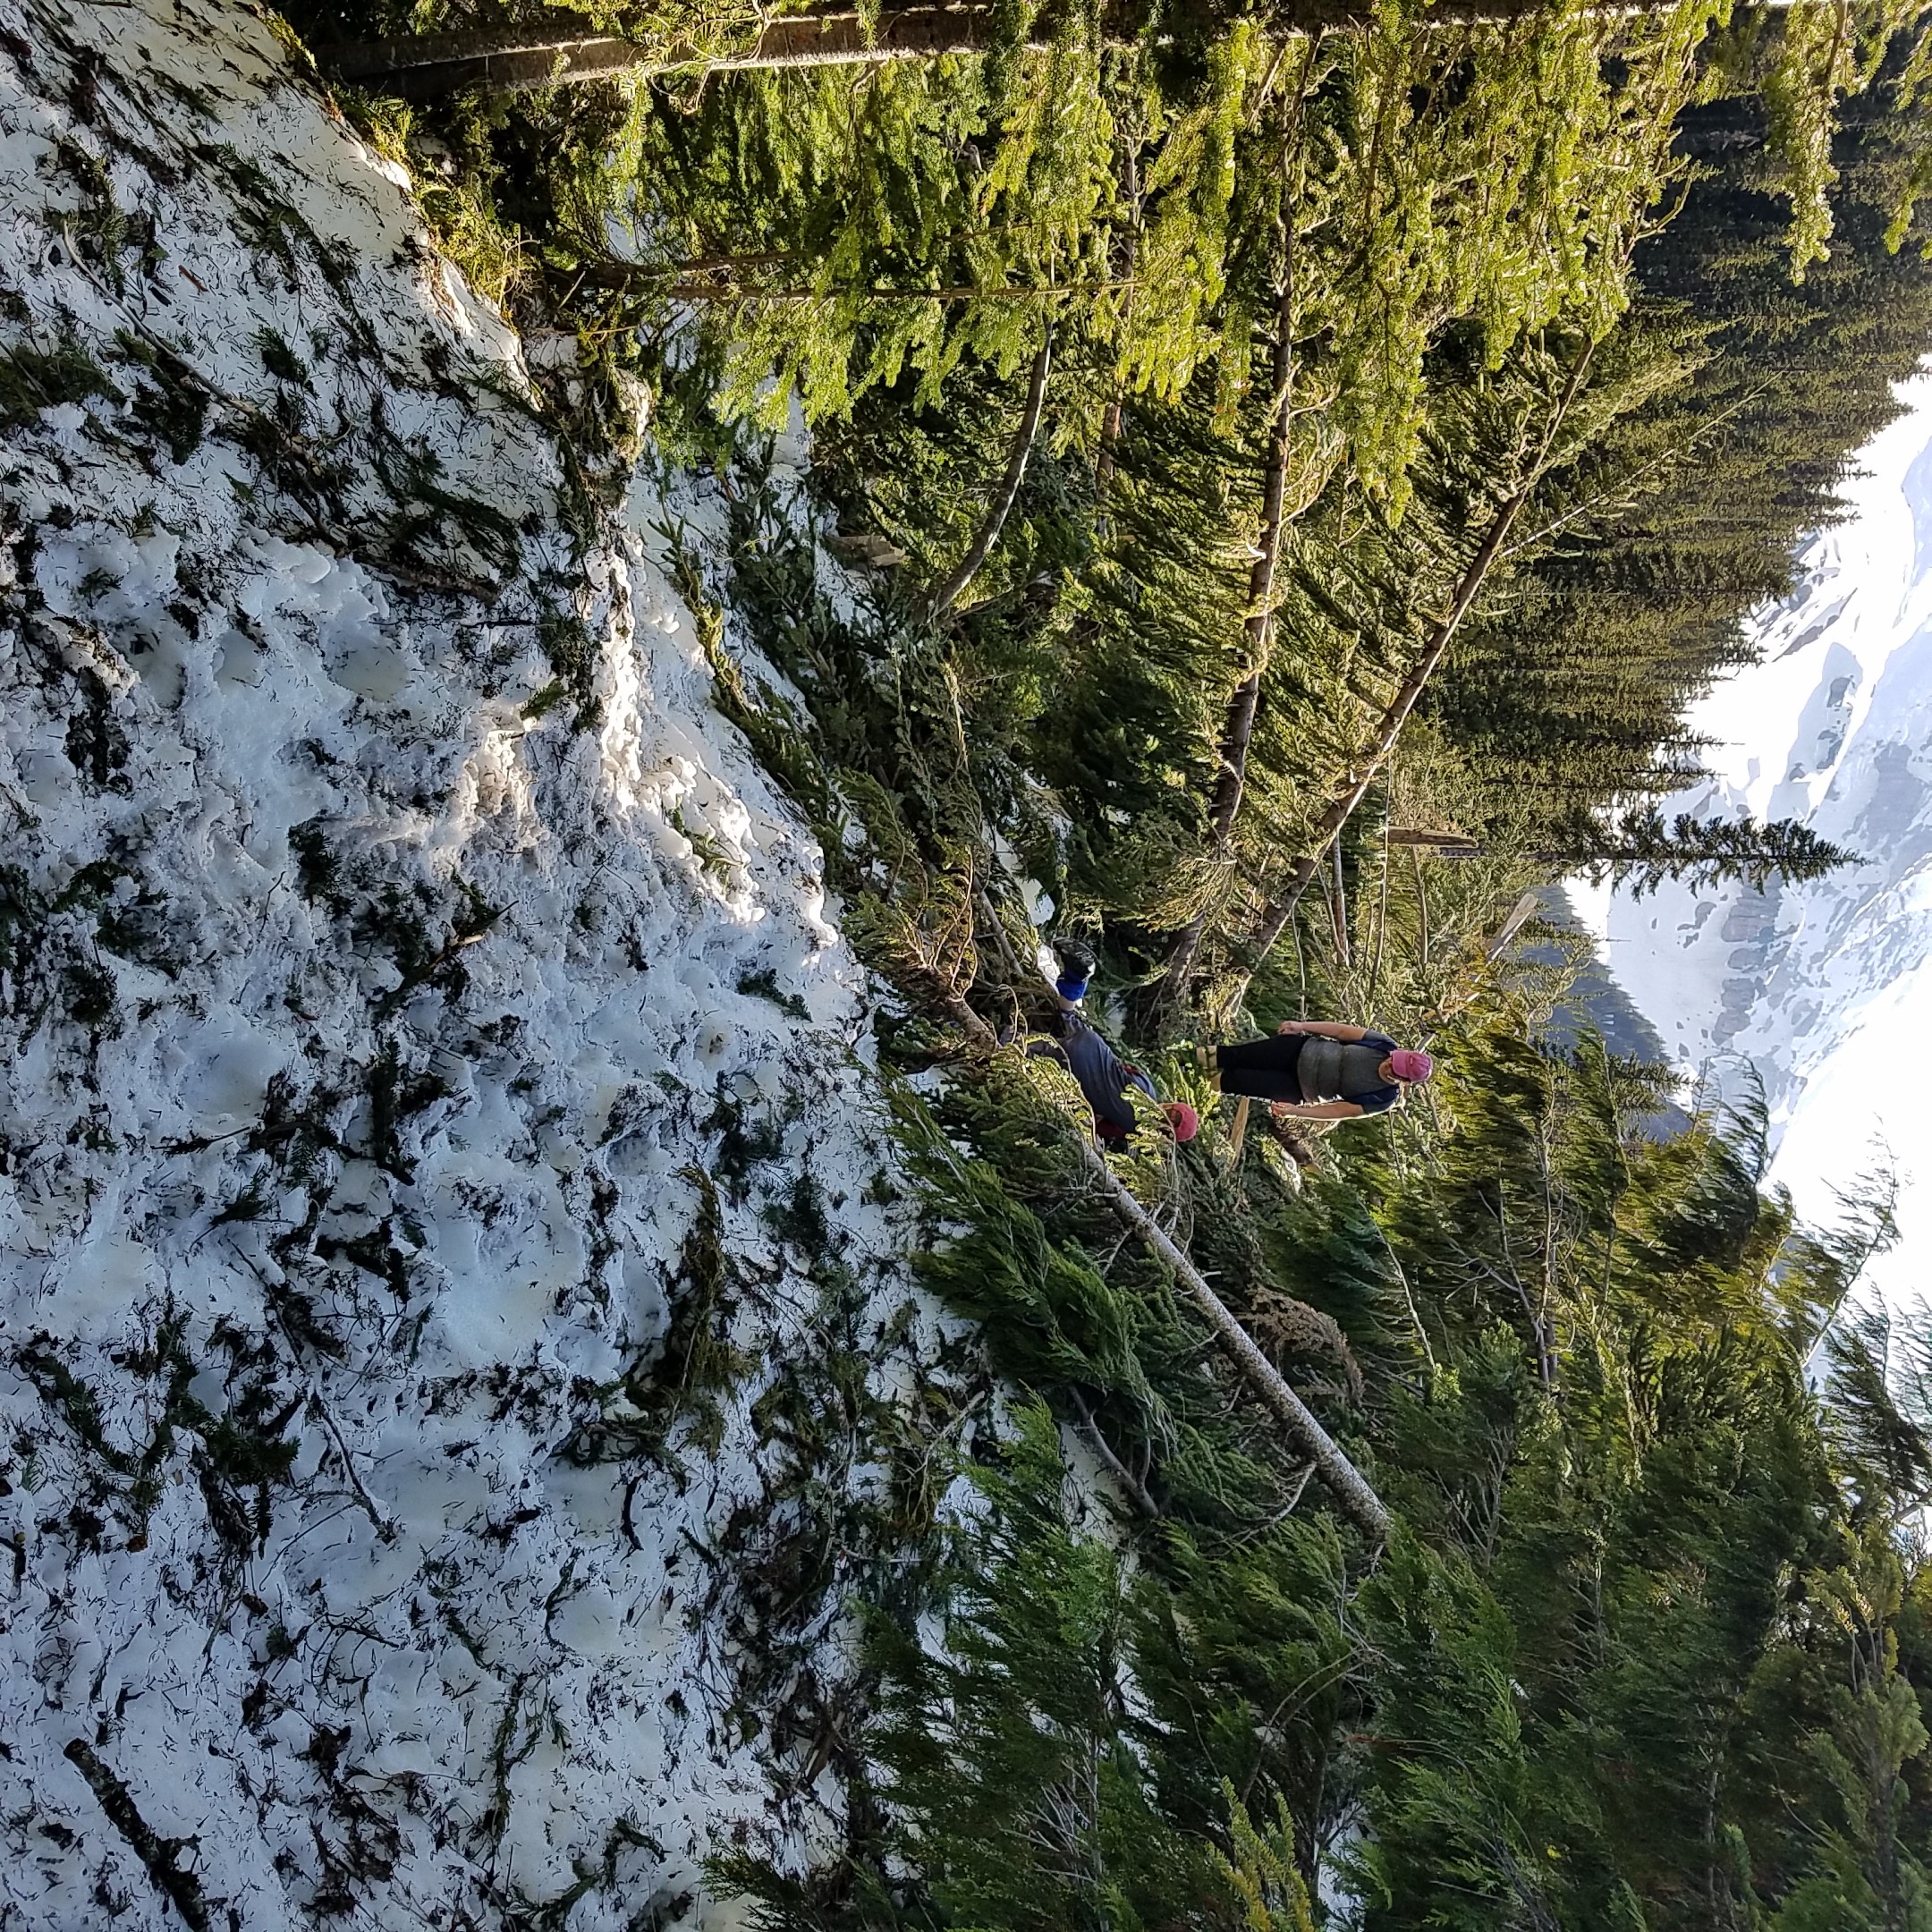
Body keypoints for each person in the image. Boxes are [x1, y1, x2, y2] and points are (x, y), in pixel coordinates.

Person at [1023, 937, 1199, 1146]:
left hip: (1091, 1044)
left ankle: (1077, 978)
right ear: (1167, 1136)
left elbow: (1121, 1067)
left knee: (1066, 1015)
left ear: (1171, 1104)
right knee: (1016, 1044)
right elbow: (1097, 1125)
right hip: (1068, 1065)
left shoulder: (1147, 1087)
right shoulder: (1130, 1131)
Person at [1198, 1019, 1433, 1122]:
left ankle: (1195, 1084)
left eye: (1396, 1069)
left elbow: (1338, 1111)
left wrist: (1296, 1112)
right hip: (1298, 1050)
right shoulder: (1383, 1044)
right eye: (1396, 1059)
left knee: (1239, 1082)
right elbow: (1341, 1032)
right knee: (1237, 1055)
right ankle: (1187, 1057)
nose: (1390, 1063)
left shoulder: (1383, 1098)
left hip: (1299, 1089)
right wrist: (1301, 1026)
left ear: (1404, 1080)